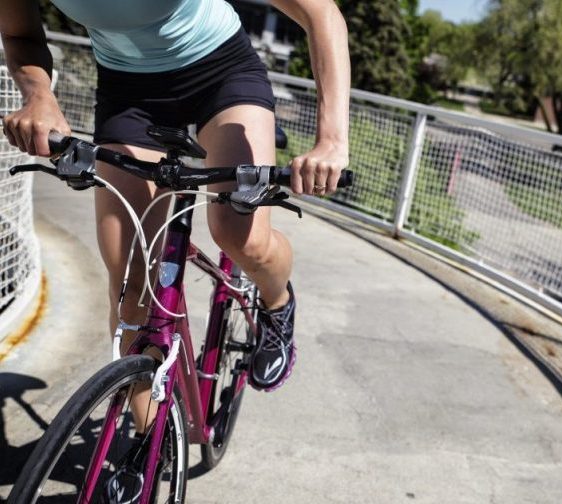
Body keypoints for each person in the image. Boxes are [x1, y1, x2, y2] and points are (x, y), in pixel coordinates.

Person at [1, 0, 349, 498]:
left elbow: (323, 14)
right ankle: (153, 441)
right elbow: (21, 37)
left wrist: (332, 139)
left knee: (240, 235)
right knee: (130, 292)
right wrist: (39, 96)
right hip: (129, 94)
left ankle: (276, 302)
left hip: (222, 78)